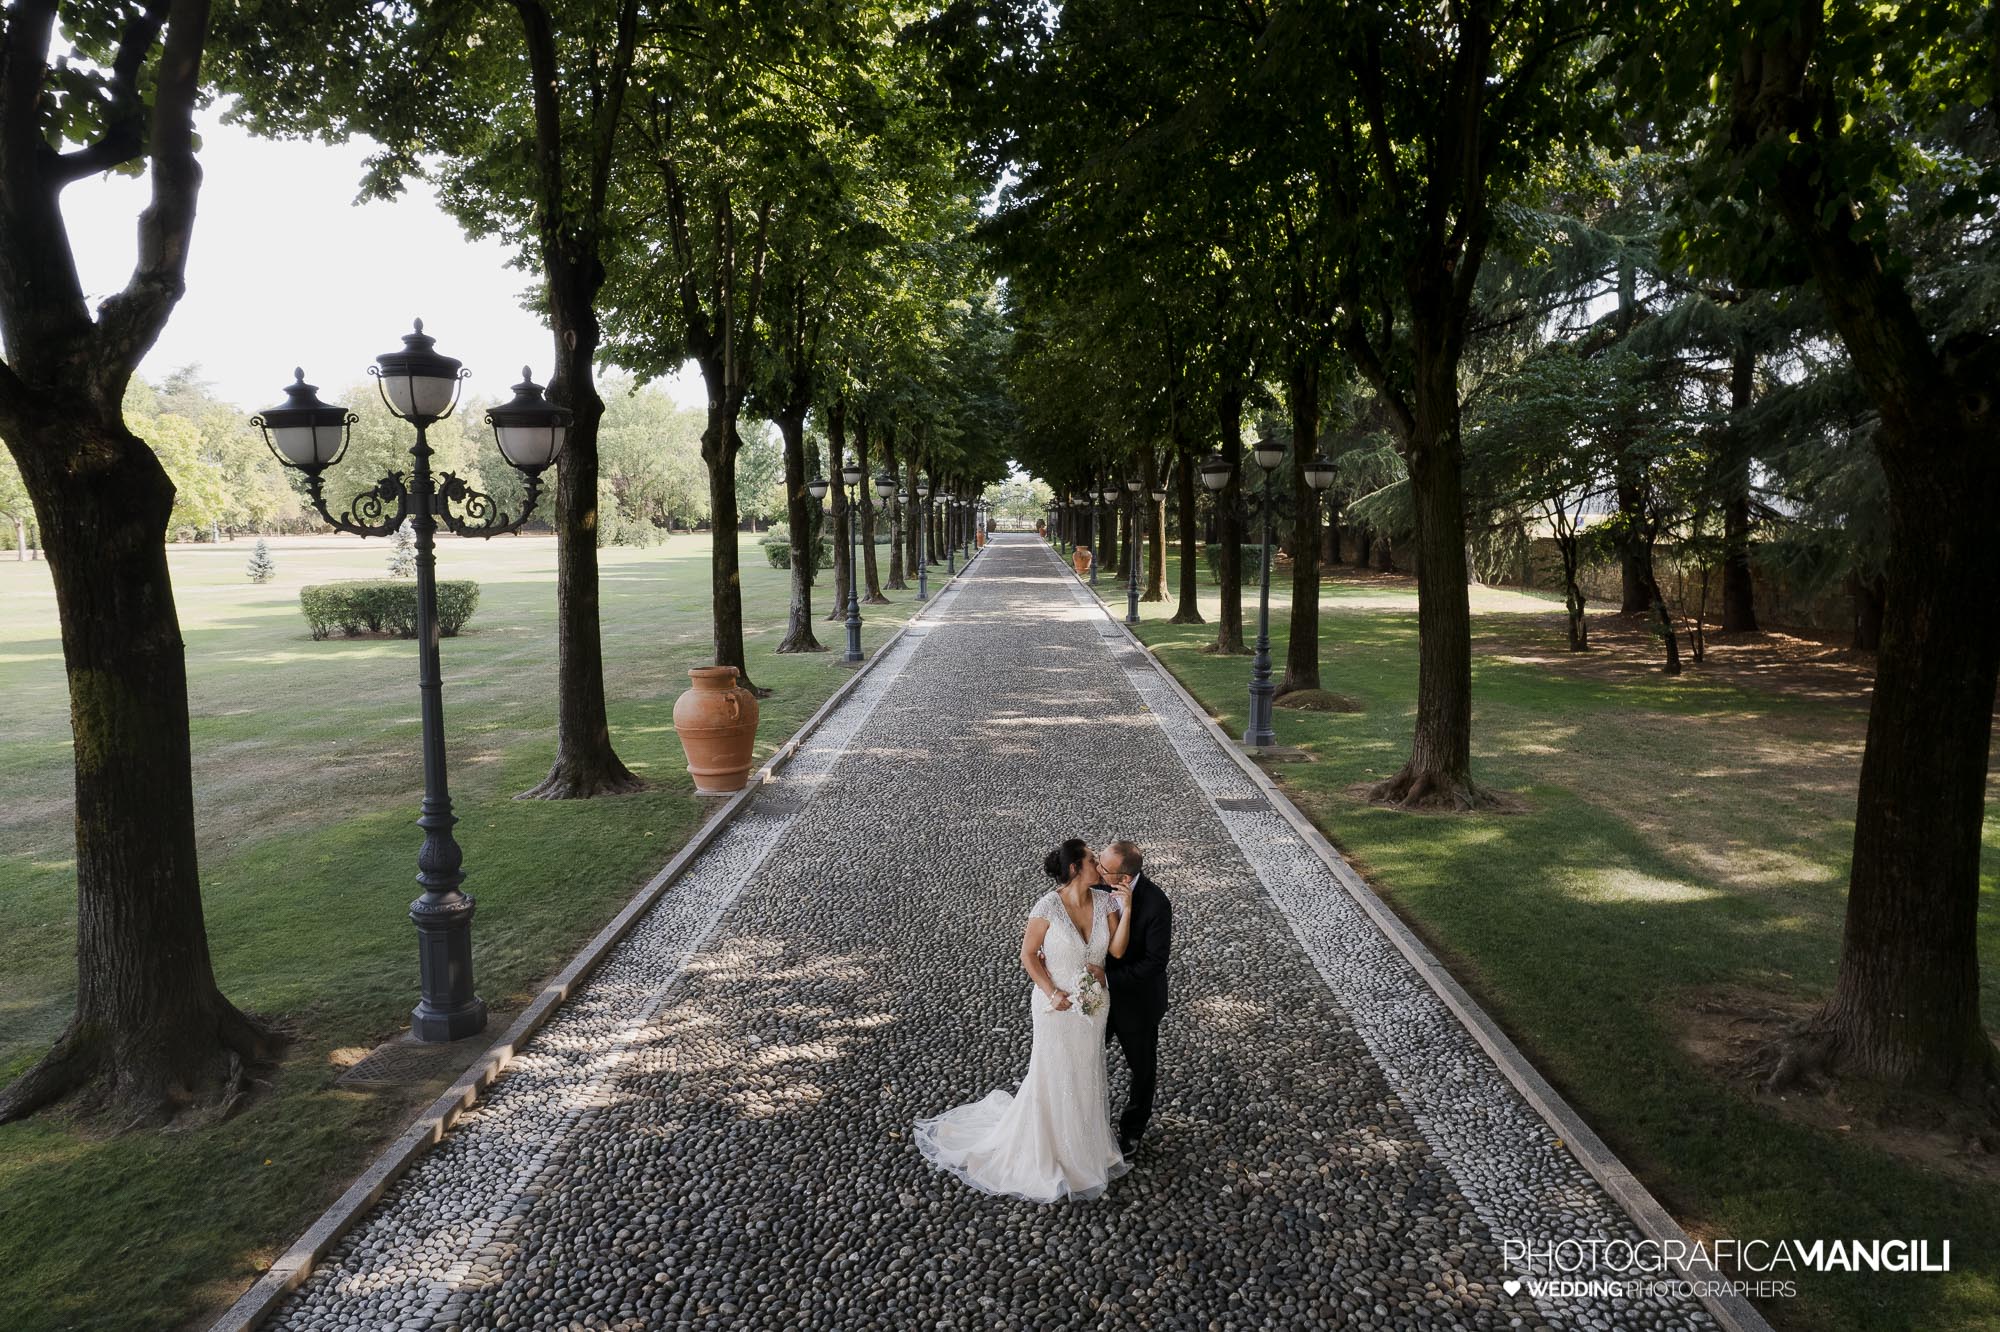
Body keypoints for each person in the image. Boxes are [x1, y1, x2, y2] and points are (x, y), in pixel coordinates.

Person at [914, 839, 1133, 1202]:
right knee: (1053, 1070)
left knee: (1087, 1070)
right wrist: (1052, 992)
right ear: (1076, 868)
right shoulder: (1047, 906)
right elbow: (1029, 956)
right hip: (1055, 1006)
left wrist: (1128, 906)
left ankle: (1085, 1147)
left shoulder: (1107, 901)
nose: (1099, 865)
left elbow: (1118, 950)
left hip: (1094, 1005)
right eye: (1093, 860)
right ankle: (1048, 1149)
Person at [1099, 839, 1170, 1156]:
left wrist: (1107, 980)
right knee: (1082, 1058)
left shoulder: (1156, 904)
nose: (1098, 871)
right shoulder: (1099, 888)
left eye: (1104, 868)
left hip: (1137, 1005)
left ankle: (1132, 1131)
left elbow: (1154, 963)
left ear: (1124, 878)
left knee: (1142, 1069)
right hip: (1097, 1000)